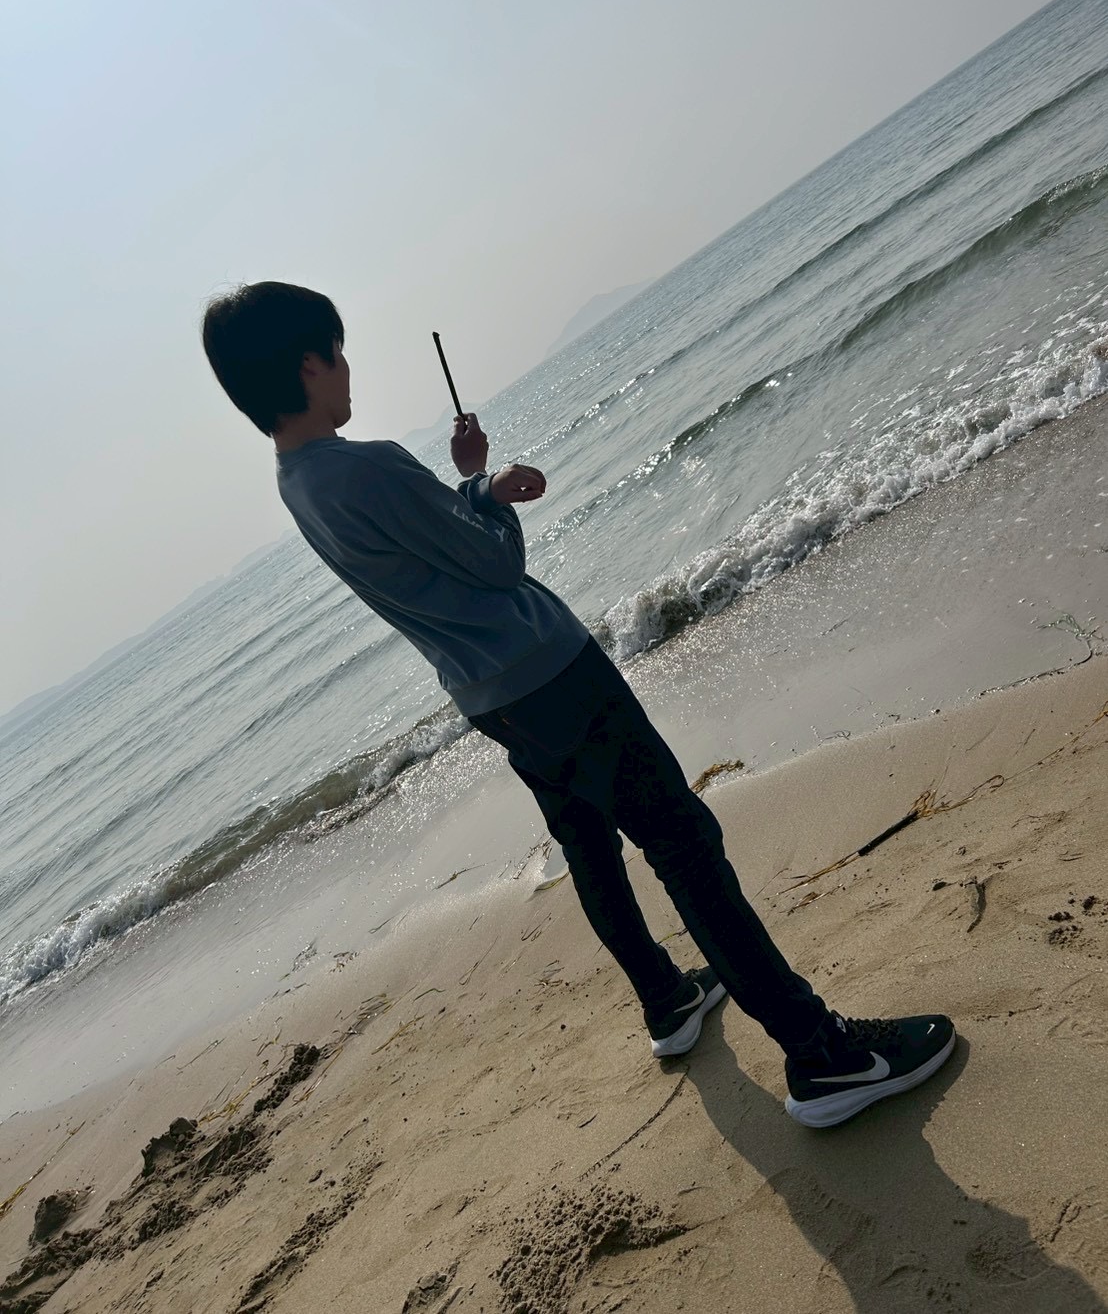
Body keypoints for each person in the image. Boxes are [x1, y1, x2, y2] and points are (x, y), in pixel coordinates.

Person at [201, 281, 956, 1128]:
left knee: (589, 842)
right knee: (682, 843)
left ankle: (668, 999)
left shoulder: (298, 482)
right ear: (308, 364)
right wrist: (481, 482)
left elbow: (426, 556)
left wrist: (473, 489)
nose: (348, 372)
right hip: (551, 672)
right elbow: (494, 565)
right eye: (339, 354)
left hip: (491, 696)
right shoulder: (366, 464)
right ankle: (824, 1056)